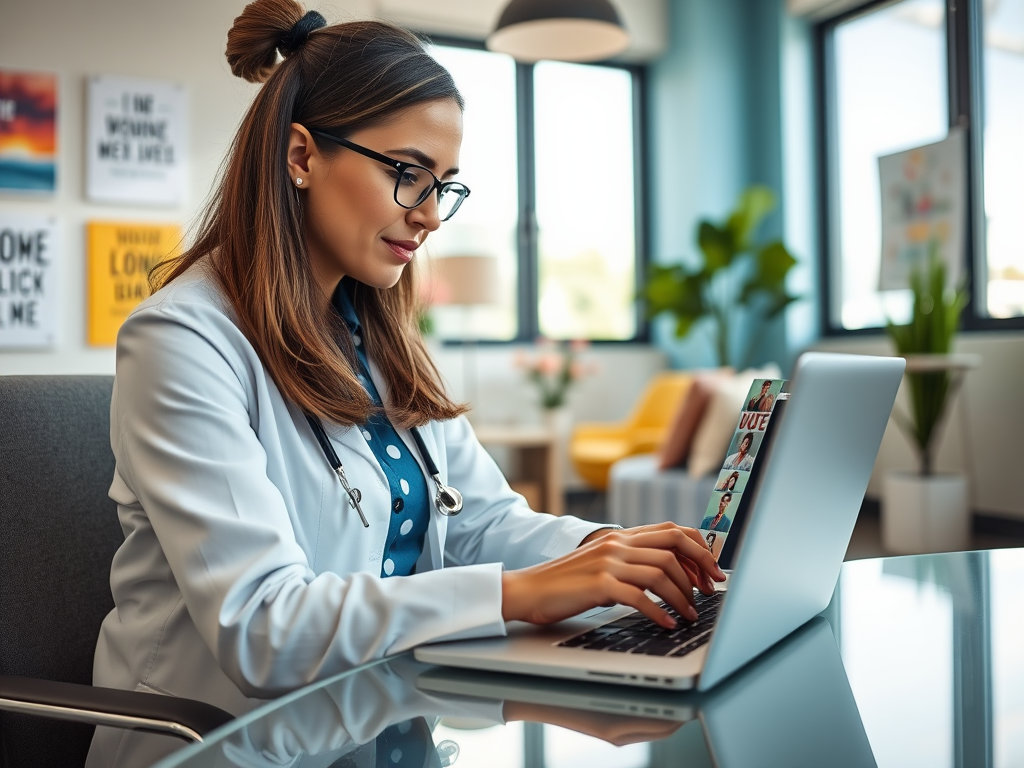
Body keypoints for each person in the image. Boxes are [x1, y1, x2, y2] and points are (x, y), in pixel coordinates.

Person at [86, 4, 724, 766]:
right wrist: (524, 593)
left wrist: (609, 552)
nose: (429, 216)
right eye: (407, 174)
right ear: (300, 156)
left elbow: (485, 523)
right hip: (221, 746)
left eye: (444, 186)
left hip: (383, 720)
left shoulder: (376, 334)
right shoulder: (183, 342)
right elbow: (262, 628)